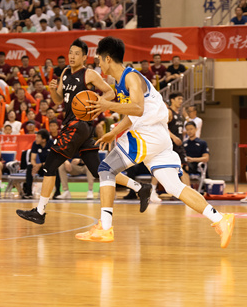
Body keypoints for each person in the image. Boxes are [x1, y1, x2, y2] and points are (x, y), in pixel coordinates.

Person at [77, 36, 234, 246]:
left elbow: (137, 109)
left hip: (147, 135)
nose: (98, 64)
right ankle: (220, 219)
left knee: (106, 168)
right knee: (174, 187)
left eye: (98, 60)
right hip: (157, 137)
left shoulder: (131, 77)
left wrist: (107, 105)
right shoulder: (122, 81)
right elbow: (133, 114)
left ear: (107, 59)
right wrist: (114, 132)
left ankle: (105, 228)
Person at [16, 39, 148, 226]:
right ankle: (140, 187)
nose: (72, 56)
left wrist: (94, 104)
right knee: (99, 170)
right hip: (78, 128)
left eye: (77, 53)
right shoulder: (64, 73)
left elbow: (110, 93)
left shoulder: (90, 74)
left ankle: (40, 211)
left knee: (50, 166)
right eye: (70, 52)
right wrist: (53, 91)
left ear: (85, 57)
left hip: (78, 125)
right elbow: (58, 100)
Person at [21, 129, 52, 199]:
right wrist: (35, 166)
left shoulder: (52, 144)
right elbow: (32, 159)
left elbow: (52, 161)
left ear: (44, 140)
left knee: (54, 168)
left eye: (38, 137)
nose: (36, 139)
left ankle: (57, 192)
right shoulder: (35, 144)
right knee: (30, 167)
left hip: (50, 167)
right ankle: (28, 192)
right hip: (40, 167)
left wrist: (39, 165)